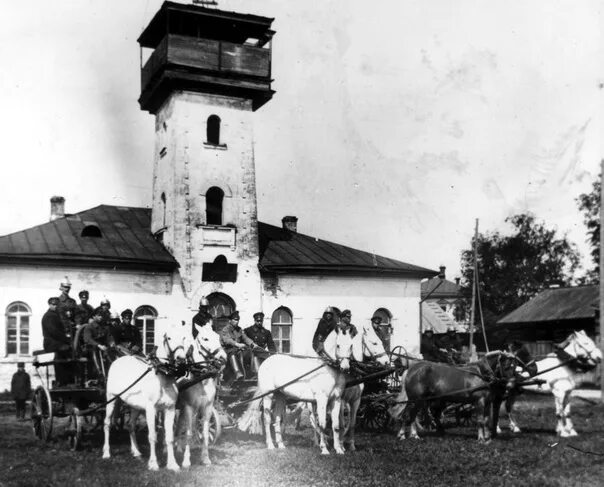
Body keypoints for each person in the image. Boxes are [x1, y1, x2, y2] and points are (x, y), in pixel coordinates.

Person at [219, 311, 260, 382]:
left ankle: (256, 372)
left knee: (251, 352)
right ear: (230, 320)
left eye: (238, 320)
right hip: (227, 351)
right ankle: (237, 373)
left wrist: (252, 344)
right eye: (235, 320)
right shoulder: (225, 329)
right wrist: (237, 344)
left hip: (238, 350)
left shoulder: (239, 329)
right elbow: (227, 340)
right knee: (232, 353)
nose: (237, 321)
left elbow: (245, 338)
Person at [42, 297, 73, 385]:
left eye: (57, 305)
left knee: (70, 351)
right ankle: (62, 381)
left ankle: (68, 379)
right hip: (51, 343)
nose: (55, 307)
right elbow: (54, 332)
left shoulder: (55, 315)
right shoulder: (49, 316)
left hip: (57, 342)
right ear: (49, 305)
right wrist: (66, 339)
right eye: (53, 305)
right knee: (66, 352)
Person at [81, 307, 115, 380]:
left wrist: (111, 343)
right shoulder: (89, 327)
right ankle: (99, 372)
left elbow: (109, 337)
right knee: (94, 351)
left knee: (111, 351)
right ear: (94, 316)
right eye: (99, 315)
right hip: (90, 348)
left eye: (102, 315)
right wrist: (98, 345)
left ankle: (112, 371)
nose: (101, 317)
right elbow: (87, 339)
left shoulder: (104, 327)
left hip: (102, 347)